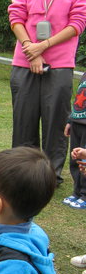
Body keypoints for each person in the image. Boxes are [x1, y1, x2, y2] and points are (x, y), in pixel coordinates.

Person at [8, 0, 86, 184]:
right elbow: (16, 17)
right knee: (24, 120)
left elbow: (78, 23)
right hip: (25, 58)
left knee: (55, 122)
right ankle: (21, 171)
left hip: (60, 61)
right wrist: (31, 48)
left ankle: (50, 175)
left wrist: (44, 46)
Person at [62, 72, 86, 208]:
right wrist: (70, 120)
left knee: (84, 160)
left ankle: (85, 194)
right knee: (75, 158)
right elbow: (78, 100)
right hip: (77, 123)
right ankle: (77, 191)